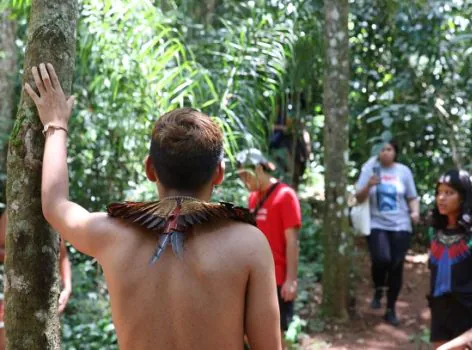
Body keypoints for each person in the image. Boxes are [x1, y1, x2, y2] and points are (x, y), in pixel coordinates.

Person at [24, 63, 281, 350]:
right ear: (219, 173)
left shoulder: (112, 235)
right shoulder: (249, 244)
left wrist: (55, 124)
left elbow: (55, 204)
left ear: (150, 168)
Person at [236, 148, 301, 348]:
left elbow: (292, 241)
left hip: (279, 278)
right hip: (257, 277)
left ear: (258, 168)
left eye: (246, 175)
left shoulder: (285, 195)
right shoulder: (253, 199)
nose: (244, 181)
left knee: (279, 334)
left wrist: (291, 280)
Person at [355, 140, 419, 326]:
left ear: (395, 152)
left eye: (389, 149)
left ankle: (391, 308)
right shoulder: (370, 170)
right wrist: (369, 185)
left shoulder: (403, 171)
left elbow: (412, 197)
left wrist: (414, 212)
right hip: (377, 224)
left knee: (396, 266)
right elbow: (356, 198)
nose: (385, 153)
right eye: (382, 149)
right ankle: (378, 288)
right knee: (381, 259)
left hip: (401, 225)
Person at [427, 169, 472, 349]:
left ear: (463, 197)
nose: (441, 198)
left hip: (469, 307)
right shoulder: (434, 230)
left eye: (449, 193)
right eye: (439, 192)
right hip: (439, 305)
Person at [0, 211, 72, 349]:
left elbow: (62, 254)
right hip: (14, 289)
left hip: (44, 294)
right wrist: (20, 256)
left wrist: (67, 287)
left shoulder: (52, 214)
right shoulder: (12, 213)